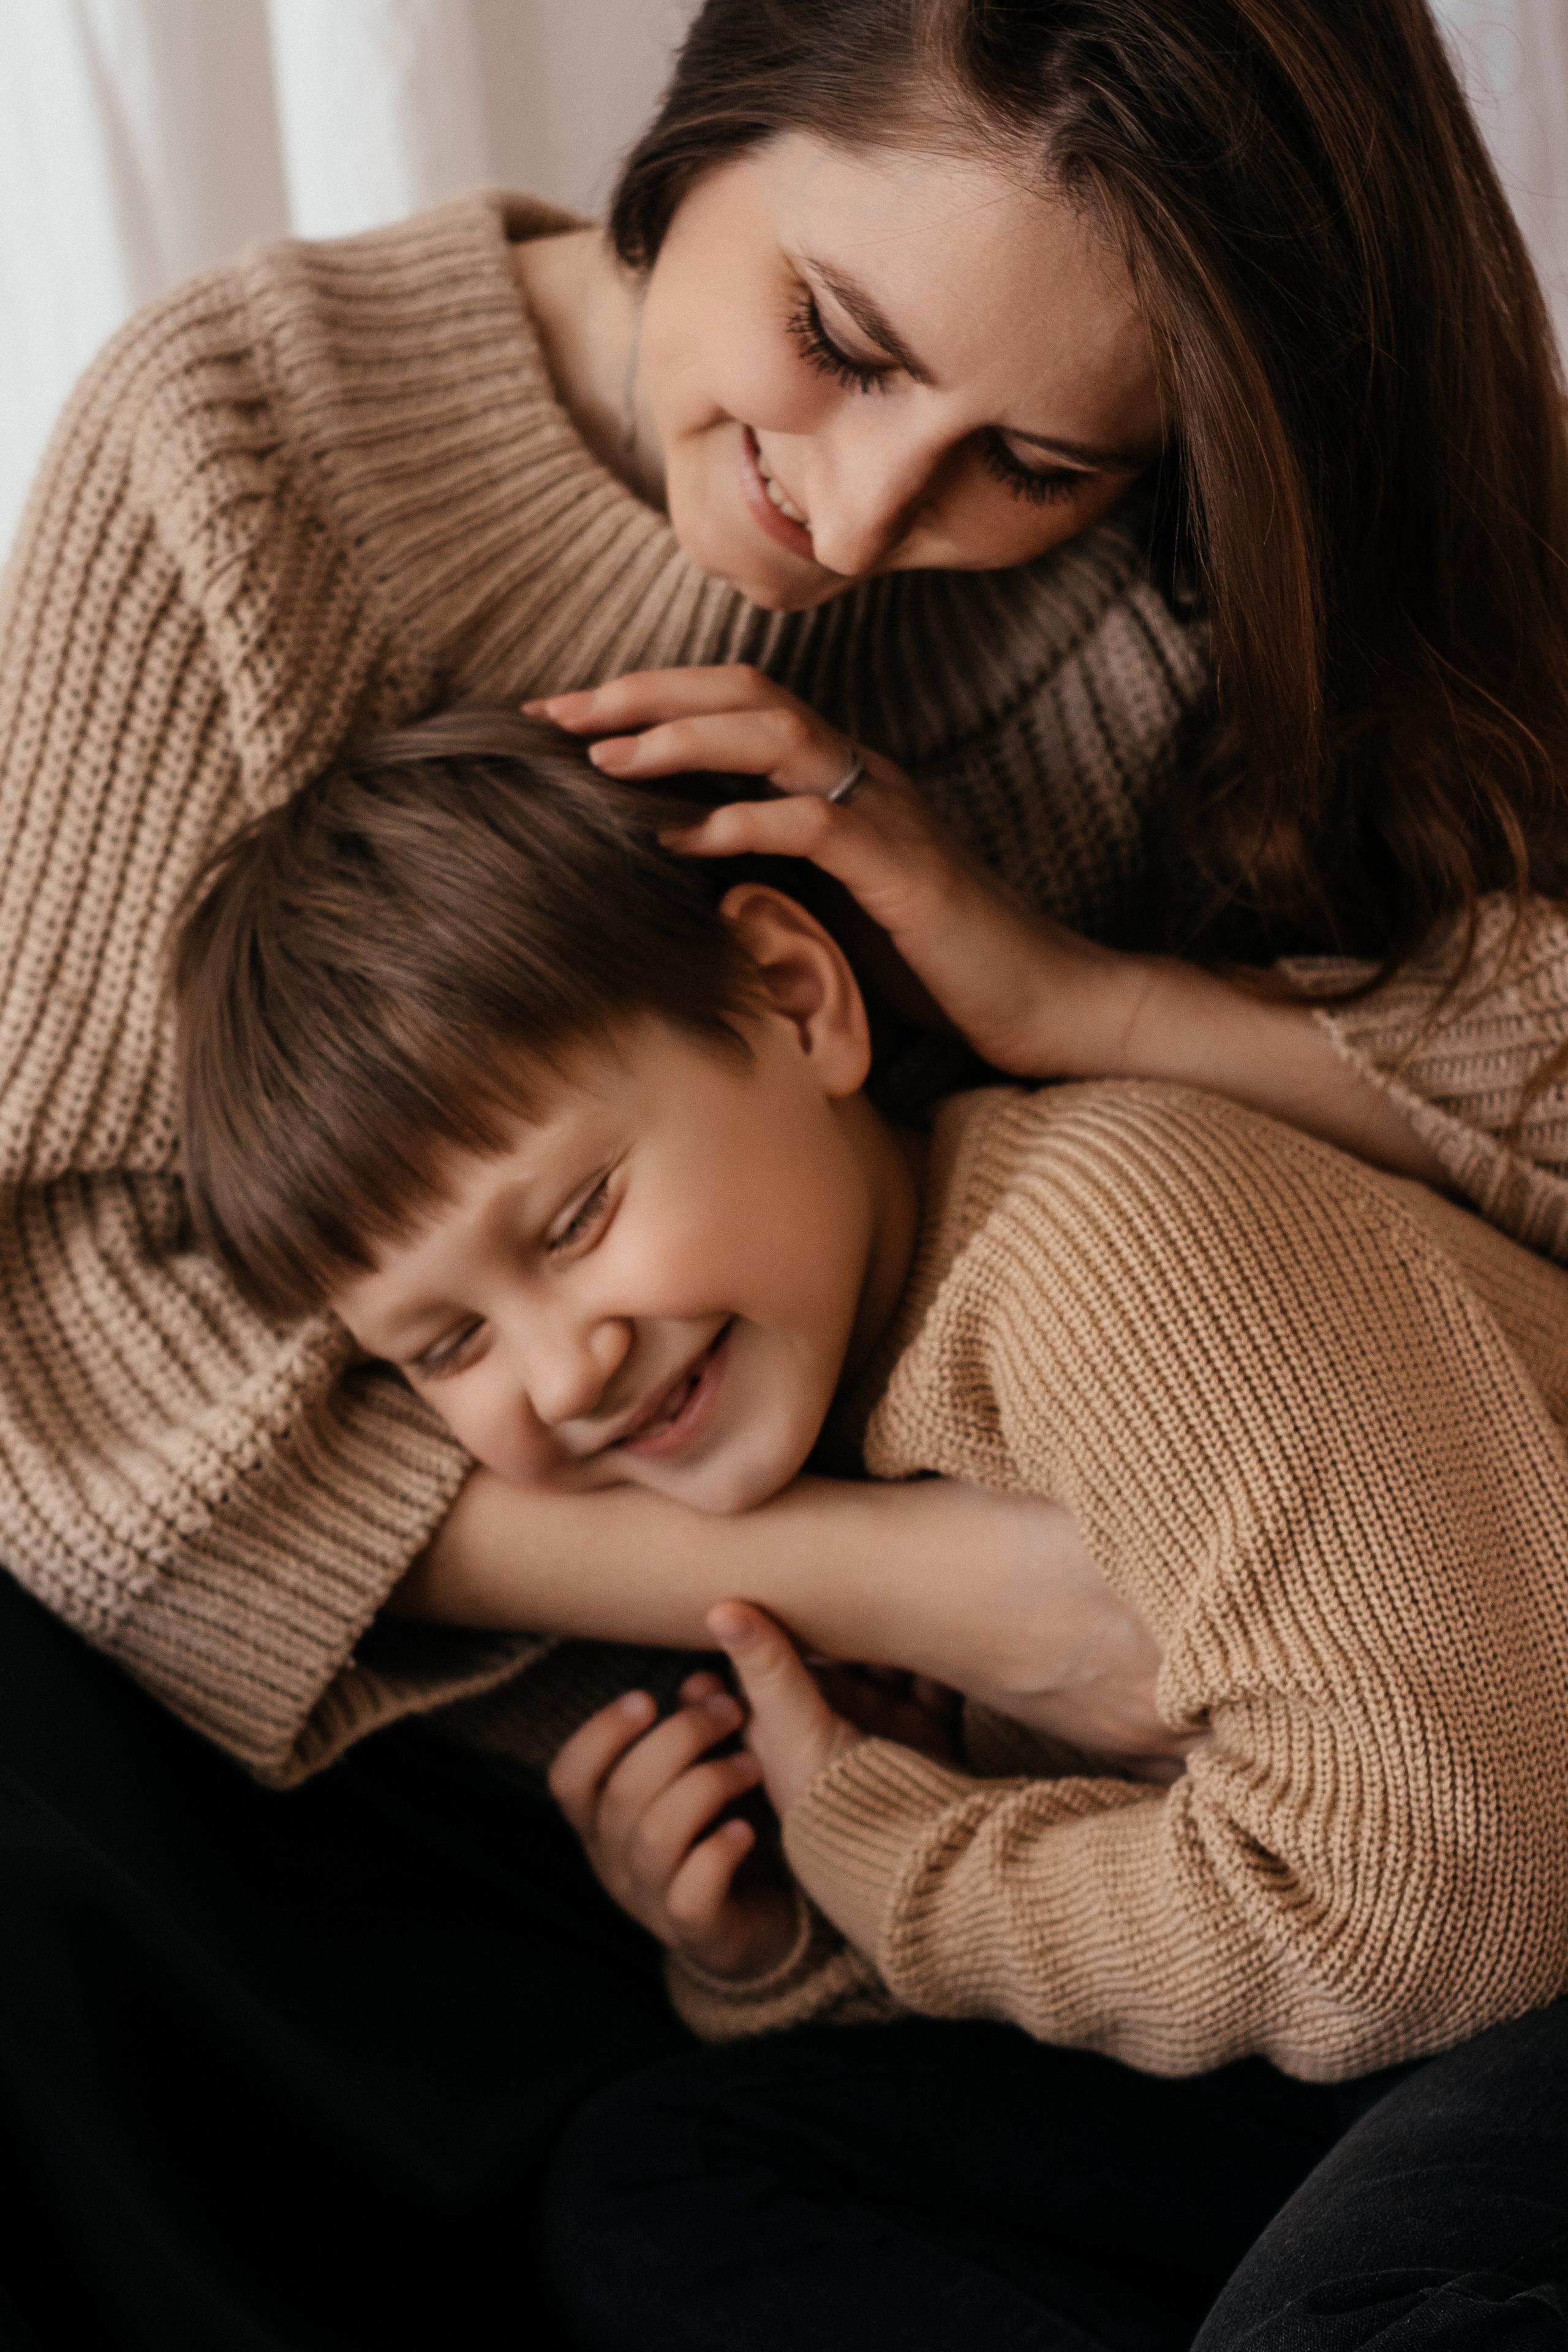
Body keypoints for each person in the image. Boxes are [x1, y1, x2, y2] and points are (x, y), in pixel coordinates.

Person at [1, 0, 1566, 2338]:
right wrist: (895, 1593)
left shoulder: (1173, 670)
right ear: (742, 85)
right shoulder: (233, 455)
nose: (849, 520)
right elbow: (48, 1345)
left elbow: (1416, 1860)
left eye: (1028, 462)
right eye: (834, 339)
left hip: (1243, 1733)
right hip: (634, 1742)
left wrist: (1075, 999)